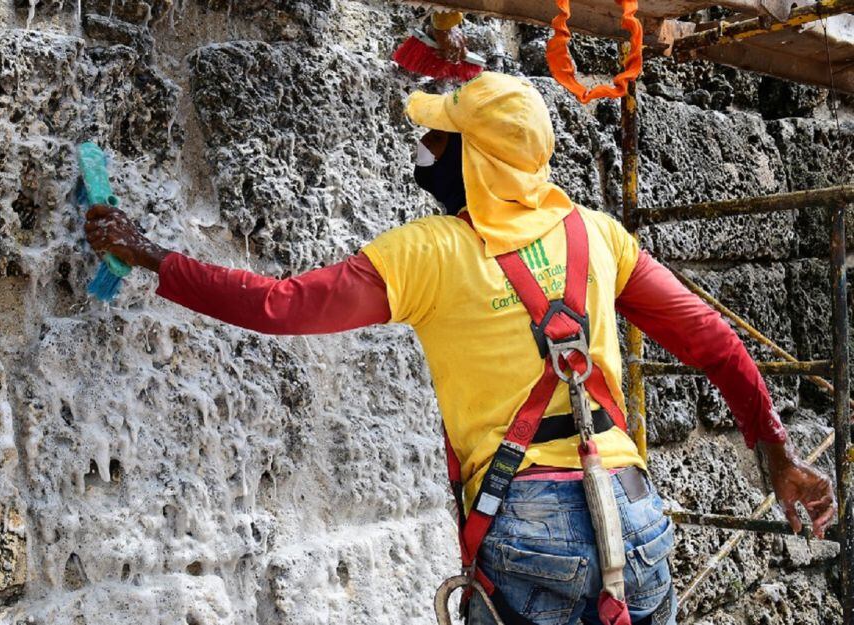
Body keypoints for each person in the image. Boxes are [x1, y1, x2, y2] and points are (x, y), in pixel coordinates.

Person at [84, 72, 836, 625]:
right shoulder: (596, 235)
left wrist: (150, 254)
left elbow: (282, 307)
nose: (424, 146)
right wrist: (775, 455)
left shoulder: (430, 253)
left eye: (440, 136)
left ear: (473, 159)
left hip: (529, 528)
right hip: (635, 522)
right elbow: (712, 338)